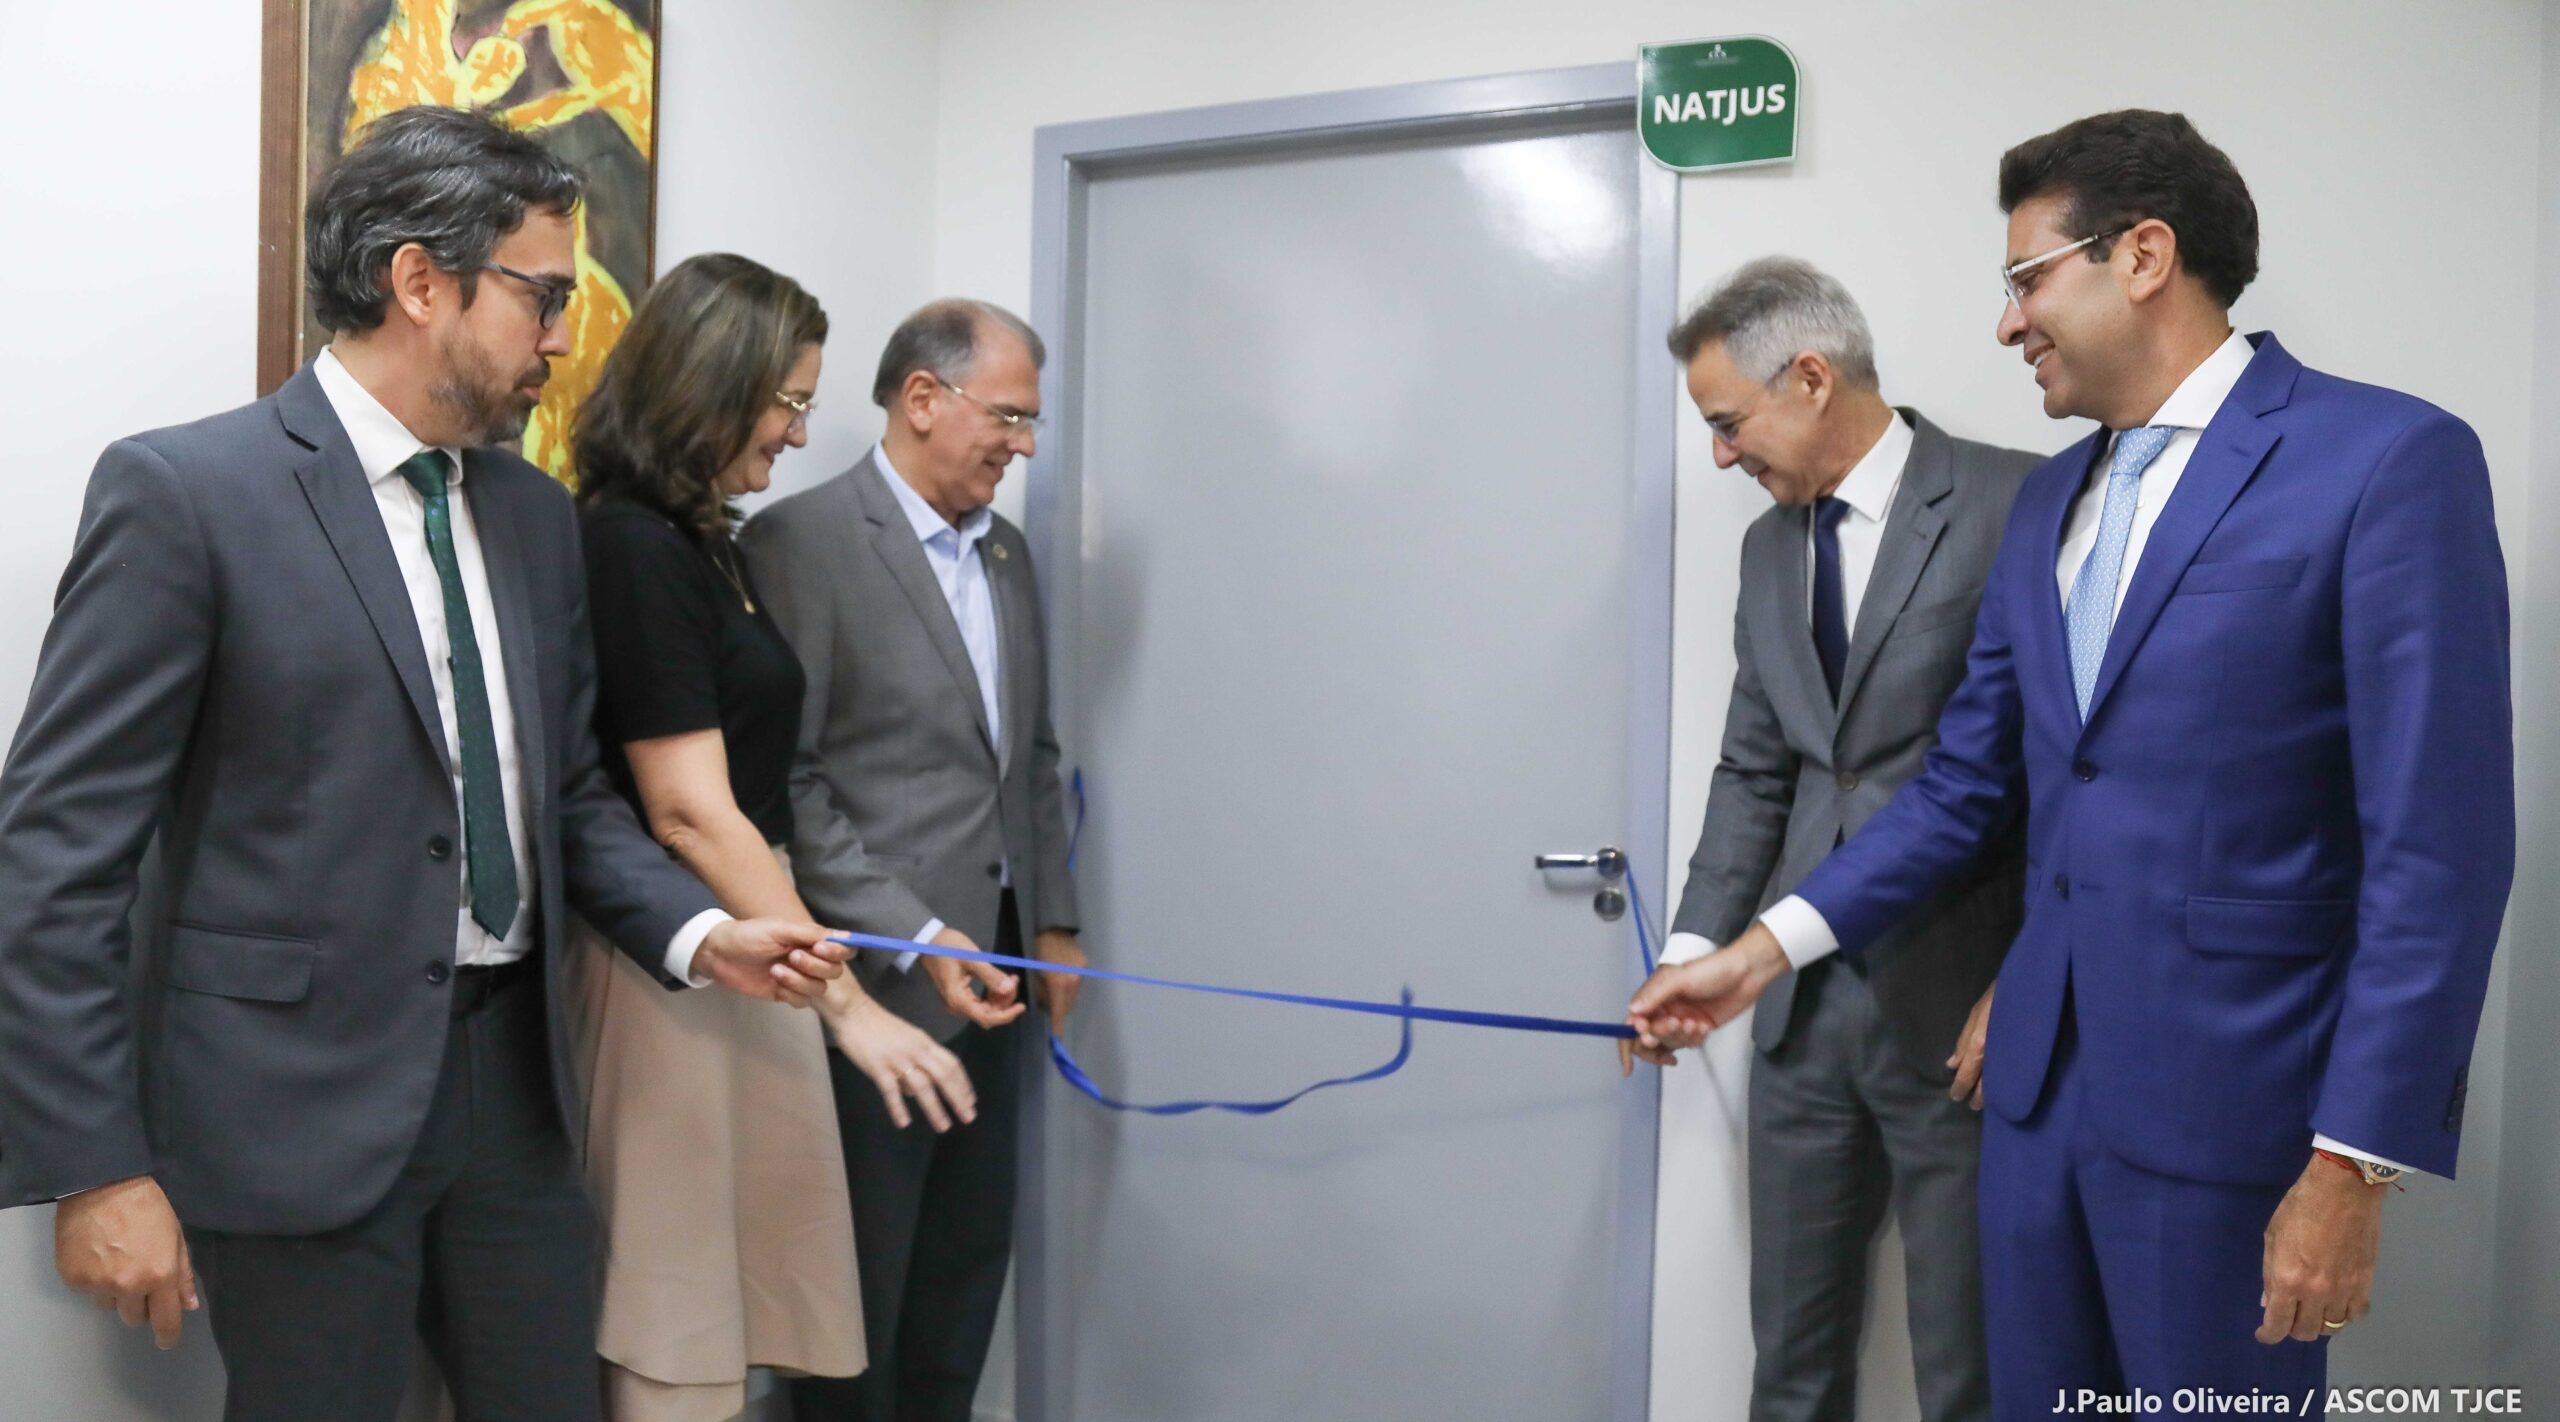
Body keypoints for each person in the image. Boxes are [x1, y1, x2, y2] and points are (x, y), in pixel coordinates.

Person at [1631, 110, 2513, 1417]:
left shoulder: (2384, 461)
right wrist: (1754, 956)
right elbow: (1966, 788)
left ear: (2143, 256)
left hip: (2235, 1112)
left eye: (2027, 279)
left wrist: (2354, 1161)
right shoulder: (2048, 501)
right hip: (2033, 1105)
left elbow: (2438, 852)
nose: (2007, 324)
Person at [0, 106, 847, 1422]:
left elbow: (563, 797)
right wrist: (93, 1167)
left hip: (516, 1096)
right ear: (419, 281)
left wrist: (698, 934)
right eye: (544, 296)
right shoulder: (189, 496)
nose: (562, 339)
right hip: (290, 1108)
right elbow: (56, 855)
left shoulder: (534, 515)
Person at [568, 252, 981, 1421]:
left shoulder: (704, 542)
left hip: (757, 935)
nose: (799, 433)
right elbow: (691, 811)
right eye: (787, 402)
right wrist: (848, 1010)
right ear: (710, 386)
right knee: (674, 1316)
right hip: (683, 960)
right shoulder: (632, 546)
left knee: (738, 1312)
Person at [1633, 256, 2038, 1422]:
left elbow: (2065, 776)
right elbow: (1754, 771)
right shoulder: (1768, 550)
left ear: (1810, 377)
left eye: (1727, 424)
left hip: (1962, 1019)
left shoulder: (2019, 501)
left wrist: (2031, 976)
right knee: (1792, 1367)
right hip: (1797, 1018)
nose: (1721, 457)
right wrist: (1692, 950)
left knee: (1969, 1372)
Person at [744, 299, 1085, 1422]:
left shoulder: (1008, 555)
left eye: (1030, 423)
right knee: (859, 1297)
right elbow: (791, 784)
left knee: (962, 1274)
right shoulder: (800, 545)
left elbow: (1030, 755)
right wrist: (917, 928)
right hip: (872, 985)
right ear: (924, 398)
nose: (1022, 446)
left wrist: (1053, 922)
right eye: (1010, 417)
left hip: (999, 976)